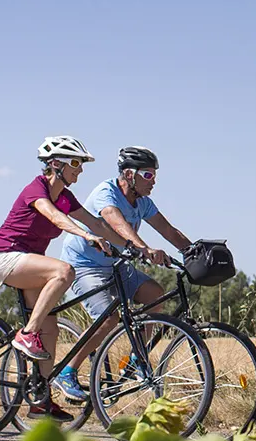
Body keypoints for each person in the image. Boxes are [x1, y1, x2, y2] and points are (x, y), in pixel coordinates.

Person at [51, 146, 196, 401]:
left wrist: (195, 252)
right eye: (148, 175)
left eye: (154, 175)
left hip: (116, 264)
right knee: (108, 318)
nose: (153, 181)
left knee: (155, 295)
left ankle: (137, 359)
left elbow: (168, 230)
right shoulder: (106, 192)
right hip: (85, 265)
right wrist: (144, 248)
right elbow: (114, 221)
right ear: (130, 174)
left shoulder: (143, 202)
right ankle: (66, 372)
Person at [0, 135, 114, 377]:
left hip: (28, 262)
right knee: (64, 271)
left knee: (50, 329)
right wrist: (86, 236)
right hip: (4, 255)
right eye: (75, 163)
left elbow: (96, 223)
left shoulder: (65, 197)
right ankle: (26, 334)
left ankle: (41, 393)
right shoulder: (36, 189)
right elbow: (54, 216)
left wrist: (134, 246)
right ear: (56, 164)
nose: (80, 170)